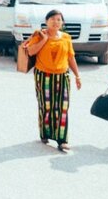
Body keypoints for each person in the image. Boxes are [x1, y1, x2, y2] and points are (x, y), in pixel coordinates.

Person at [24, 9, 81, 152]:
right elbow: (30, 51)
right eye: (52, 19)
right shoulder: (39, 35)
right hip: (44, 76)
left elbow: (70, 57)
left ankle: (62, 140)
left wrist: (77, 75)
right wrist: (44, 40)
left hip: (62, 76)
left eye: (59, 19)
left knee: (62, 107)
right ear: (46, 21)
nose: (56, 22)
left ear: (62, 23)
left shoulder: (66, 37)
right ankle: (45, 133)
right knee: (46, 106)